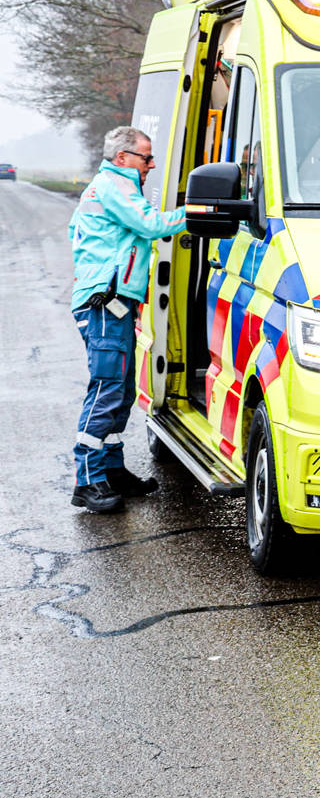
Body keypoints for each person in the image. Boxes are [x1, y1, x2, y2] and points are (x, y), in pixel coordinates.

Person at [68, 126, 187, 514]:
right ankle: (86, 480)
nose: (151, 165)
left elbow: (76, 231)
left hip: (111, 302)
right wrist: (199, 211)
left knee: (121, 391)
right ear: (123, 158)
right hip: (107, 303)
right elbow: (153, 225)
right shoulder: (116, 187)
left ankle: (112, 471)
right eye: (146, 157)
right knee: (107, 389)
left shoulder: (107, 186)